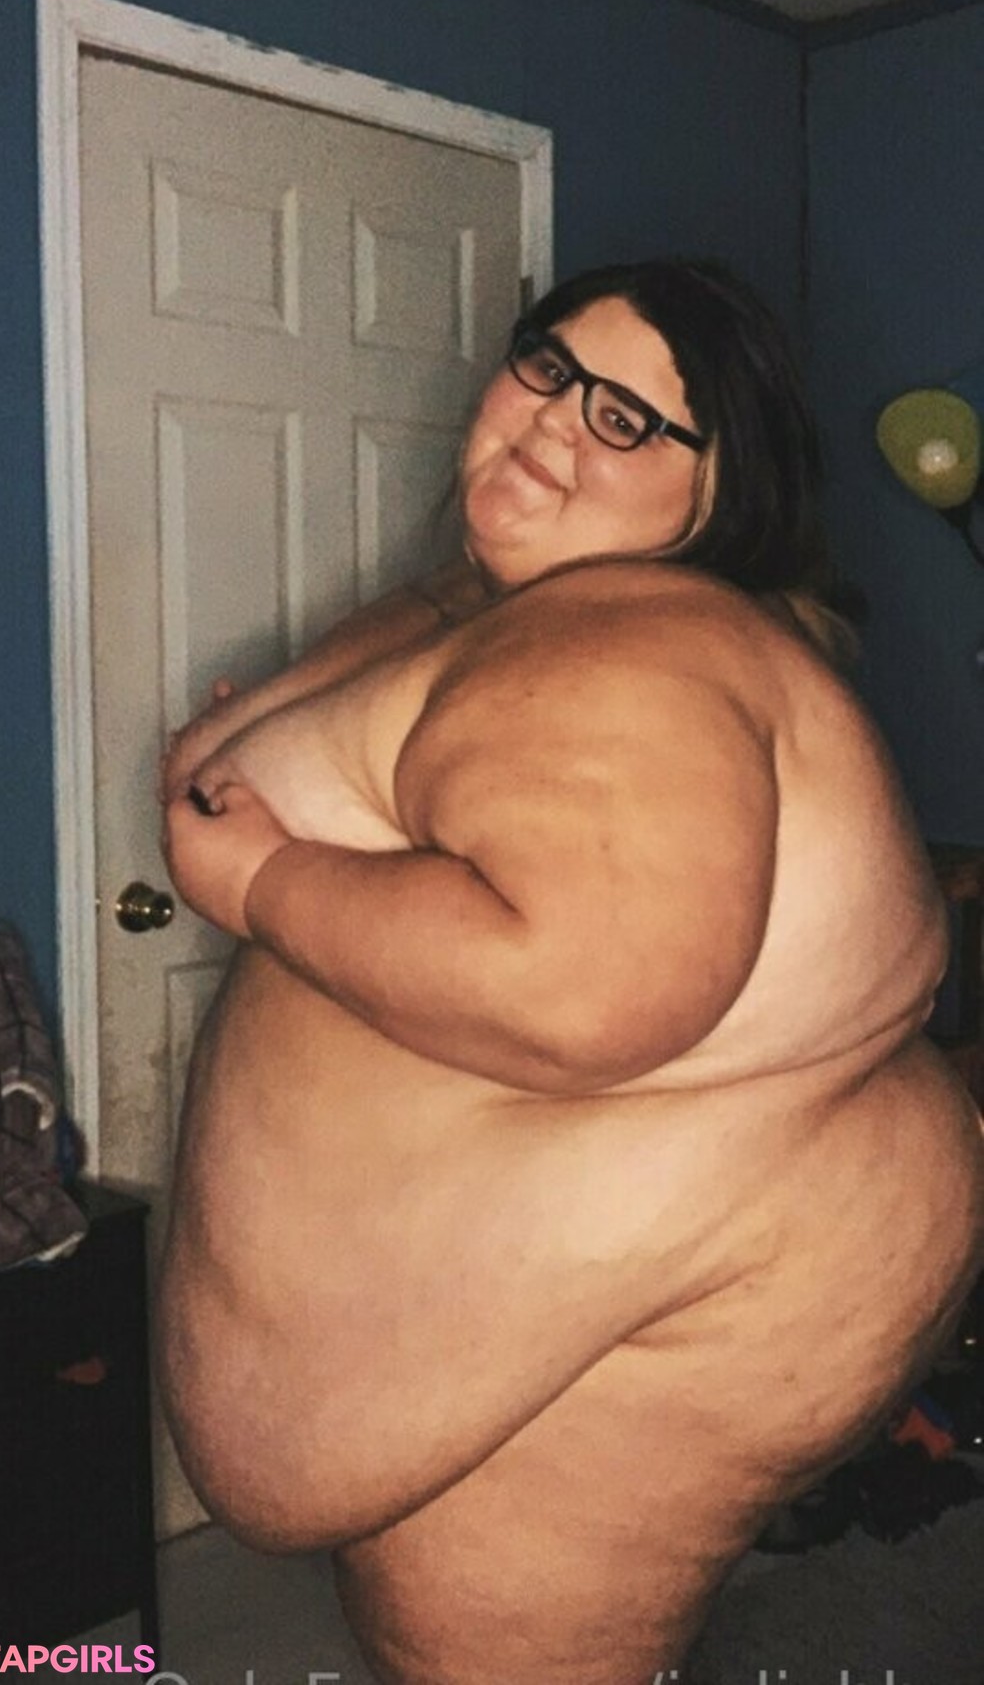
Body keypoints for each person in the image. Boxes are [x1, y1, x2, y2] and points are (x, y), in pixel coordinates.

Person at [158, 259, 984, 1685]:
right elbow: (406, 638)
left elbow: (580, 986)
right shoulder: (532, 612)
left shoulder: (637, 654)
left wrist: (267, 881)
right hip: (567, 1303)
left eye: (629, 419)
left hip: (639, 1324)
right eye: (550, 365)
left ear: (716, 494)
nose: (558, 418)